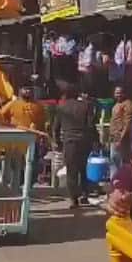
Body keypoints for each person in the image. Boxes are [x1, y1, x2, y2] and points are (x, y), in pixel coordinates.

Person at [52, 81, 96, 209]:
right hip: (84, 141)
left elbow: (55, 128)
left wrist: (57, 142)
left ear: (65, 94)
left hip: (69, 141)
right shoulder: (86, 106)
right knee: (83, 169)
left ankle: (73, 199)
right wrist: (94, 141)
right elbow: (91, 126)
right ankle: (84, 195)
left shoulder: (61, 107)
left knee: (71, 170)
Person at [0, 86, 47, 190]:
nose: (27, 91)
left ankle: (27, 186)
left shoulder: (38, 106)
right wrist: (9, 127)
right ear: (20, 91)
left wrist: (42, 136)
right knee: (14, 165)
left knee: (31, 164)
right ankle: (13, 186)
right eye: (25, 89)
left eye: (29, 89)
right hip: (15, 139)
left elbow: (43, 123)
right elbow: (1, 116)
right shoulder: (13, 104)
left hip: (32, 139)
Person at [108, 85, 132, 172]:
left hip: (120, 137)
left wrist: (121, 139)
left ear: (124, 94)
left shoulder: (127, 104)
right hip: (114, 136)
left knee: (119, 161)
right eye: (116, 93)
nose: (118, 95)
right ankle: (115, 181)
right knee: (114, 160)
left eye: (120, 93)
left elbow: (127, 124)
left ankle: (120, 181)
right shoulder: (117, 104)